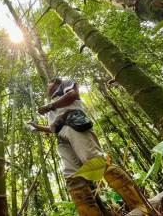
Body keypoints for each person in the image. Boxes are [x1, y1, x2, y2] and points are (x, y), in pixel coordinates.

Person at [29, 77, 148, 215]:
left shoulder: (65, 84)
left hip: (74, 124)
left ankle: (141, 207)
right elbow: (53, 127)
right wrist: (37, 127)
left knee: (95, 161)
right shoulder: (53, 103)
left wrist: (50, 106)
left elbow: (72, 95)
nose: (47, 88)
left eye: (48, 84)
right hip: (61, 136)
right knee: (72, 177)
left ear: (55, 82)